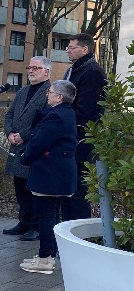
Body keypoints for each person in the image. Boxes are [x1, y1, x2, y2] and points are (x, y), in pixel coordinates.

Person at [19, 80, 78, 275]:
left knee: (46, 217)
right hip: (57, 173)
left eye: (50, 92)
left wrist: (24, 157)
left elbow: (39, 142)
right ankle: (47, 255)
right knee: (51, 216)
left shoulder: (57, 116)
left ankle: (45, 259)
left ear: (59, 97)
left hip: (50, 174)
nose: (47, 94)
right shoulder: (65, 113)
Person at [2, 56, 52, 241]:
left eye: (35, 68)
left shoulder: (50, 92)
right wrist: (9, 133)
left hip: (33, 147)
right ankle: (23, 223)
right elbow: (9, 115)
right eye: (29, 67)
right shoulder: (23, 91)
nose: (30, 71)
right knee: (20, 187)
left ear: (46, 72)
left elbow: (44, 120)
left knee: (33, 189)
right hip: (16, 146)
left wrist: (22, 135)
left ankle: (35, 227)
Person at [61, 33, 107, 221]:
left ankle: (79, 237)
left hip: (80, 144)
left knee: (78, 194)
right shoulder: (74, 70)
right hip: (68, 141)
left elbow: (87, 113)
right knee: (67, 193)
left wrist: (60, 120)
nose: (67, 51)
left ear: (85, 49)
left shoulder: (92, 73)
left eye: (71, 48)